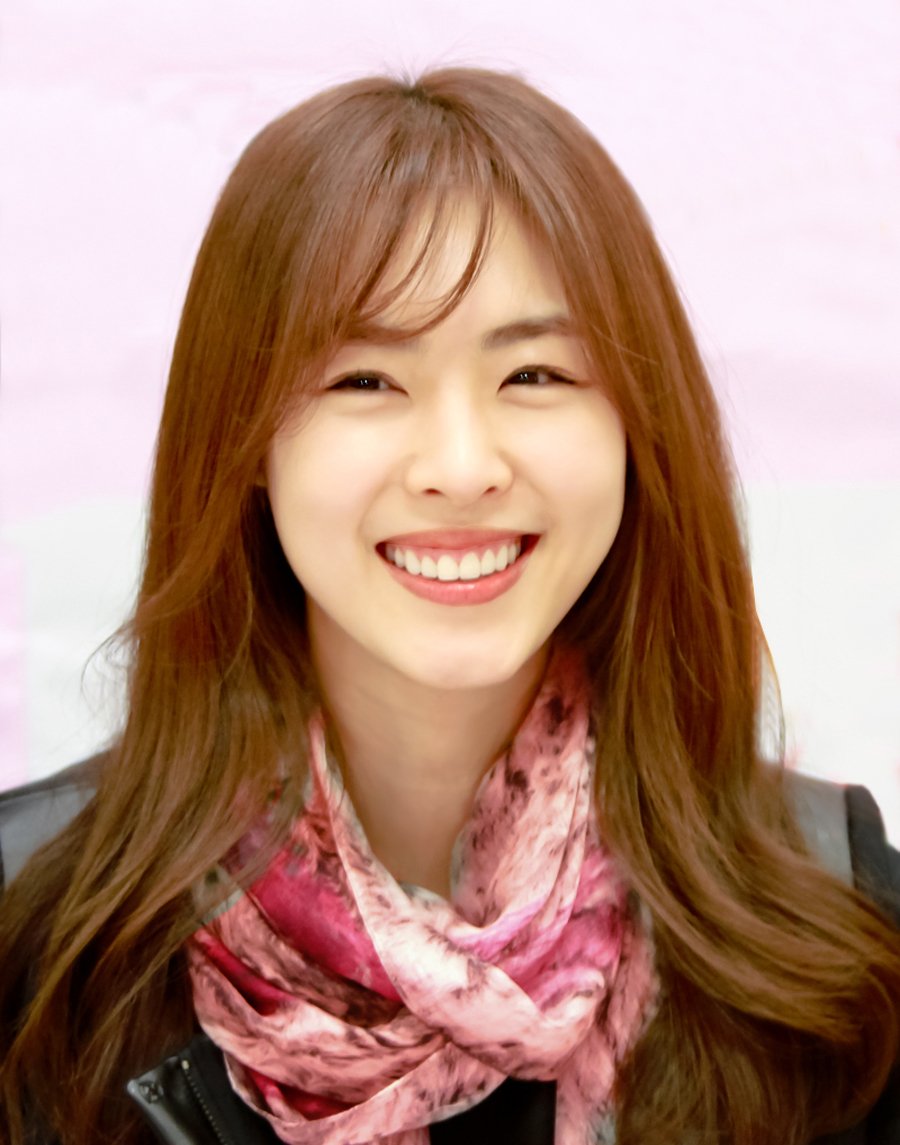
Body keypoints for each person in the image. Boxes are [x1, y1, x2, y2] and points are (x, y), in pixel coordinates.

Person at [0, 67, 897, 1145]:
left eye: (535, 375)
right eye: (365, 380)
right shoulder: (36, 941)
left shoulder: (833, 928)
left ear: (635, 427)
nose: (463, 467)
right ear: (245, 442)